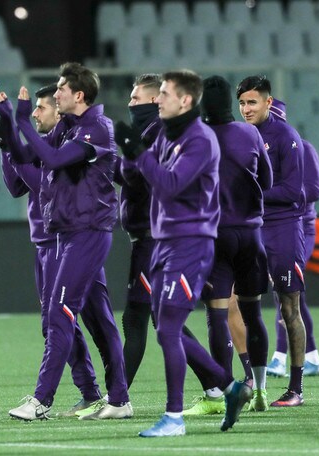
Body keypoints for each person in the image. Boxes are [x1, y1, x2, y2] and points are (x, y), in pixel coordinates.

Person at [115, 70, 251, 437]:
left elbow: (170, 184)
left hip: (190, 243)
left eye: (164, 93)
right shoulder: (168, 134)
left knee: (169, 330)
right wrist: (131, 154)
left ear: (185, 100)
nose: (157, 99)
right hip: (163, 243)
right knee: (165, 326)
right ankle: (228, 385)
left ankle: (174, 417)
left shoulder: (200, 139)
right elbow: (137, 176)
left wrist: (138, 153)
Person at [0, 62, 132, 421]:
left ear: (78, 95)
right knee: (95, 321)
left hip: (86, 233)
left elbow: (51, 161)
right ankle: (118, 399)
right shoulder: (70, 127)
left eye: (60, 89)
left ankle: (42, 400)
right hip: (68, 234)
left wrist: (22, 122)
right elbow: (29, 160)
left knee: (60, 313)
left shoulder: (97, 129)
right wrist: (8, 128)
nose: (55, 94)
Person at [0, 85, 104, 416]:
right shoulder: (42, 145)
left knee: (60, 321)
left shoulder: (64, 145)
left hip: (63, 240)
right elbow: (15, 187)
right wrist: (5, 146)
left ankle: (53, 397)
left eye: (42, 108)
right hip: (44, 243)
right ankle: (92, 391)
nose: (36, 113)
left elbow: (42, 184)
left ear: (59, 111)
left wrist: (12, 138)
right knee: (64, 321)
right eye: (34, 108)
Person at [192, 75, 273, 414]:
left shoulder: (198, 137)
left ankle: (224, 391)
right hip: (251, 236)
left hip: (217, 236)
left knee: (217, 315)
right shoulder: (250, 133)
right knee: (253, 314)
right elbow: (267, 180)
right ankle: (261, 391)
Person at [115, 74, 201, 391]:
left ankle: (118, 395)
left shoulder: (158, 131)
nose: (129, 103)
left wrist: (122, 156)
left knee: (150, 318)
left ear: (154, 100)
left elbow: (143, 178)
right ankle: (217, 385)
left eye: (135, 98)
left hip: (155, 237)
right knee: (151, 318)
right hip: (148, 236)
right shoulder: (150, 130)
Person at [237, 75, 307, 407]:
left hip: (281, 228)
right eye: (241, 103)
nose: (245, 109)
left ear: (268, 102)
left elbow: (295, 191)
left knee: (288, 307)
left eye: (252, 102)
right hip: (250, 229)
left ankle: (295, 389)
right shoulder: (240, 136)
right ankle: (253, 378)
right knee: (236, 303)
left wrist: (252, 196)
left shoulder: (285, 136)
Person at [265, 99, 319, 378]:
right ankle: (311, 356)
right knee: (289, 296)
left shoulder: (302, 147)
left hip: (301, 226)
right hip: (275, 225)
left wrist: (282, 185)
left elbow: (311, 190)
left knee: (286, 294)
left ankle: (279, 357)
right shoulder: (263, 149)